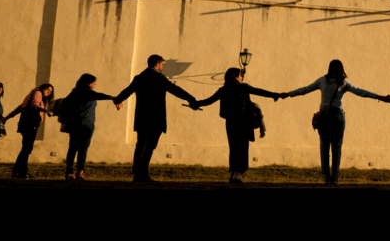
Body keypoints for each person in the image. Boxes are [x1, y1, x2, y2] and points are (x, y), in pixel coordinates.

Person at [280, 60, 386, 185]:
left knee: (324, 148)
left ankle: (326, 177)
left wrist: (288, 94)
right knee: (337, 148)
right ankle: (334, 178)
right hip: (338, 117)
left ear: (329, 68)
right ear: (341, 69)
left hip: (324, 117)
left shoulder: (322, 81)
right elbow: (360, 92)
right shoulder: (343, 83)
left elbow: (305, 90)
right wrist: (378, 96)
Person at [113, 54, 197, 182]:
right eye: (162, 64)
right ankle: (142, 174)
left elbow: (127, 91)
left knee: (140, 145)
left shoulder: (138, 78)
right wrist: (191, 99)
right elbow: (175, 89)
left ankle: (137, 174)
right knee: (149, 146)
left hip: (141, 117)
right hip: (155, 118)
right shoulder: (159, 77)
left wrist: (118, 100)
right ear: (157, 65)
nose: (162, 67)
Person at [191, 68, 279, 183]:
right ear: (236, 76)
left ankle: (233, 173)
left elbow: (209, 100)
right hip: (243, 122)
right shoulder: (243, 87)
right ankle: (237, 174)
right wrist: (274, 95)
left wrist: (196, 104)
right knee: (242, 148)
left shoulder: (224, 89)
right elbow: (259, 91)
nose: (242, 77)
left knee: (233, 148)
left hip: (230, 122)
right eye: (241, 75)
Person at [60, 74, 122, 181]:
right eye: (93, 82)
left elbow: (64, 104)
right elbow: (98, 95)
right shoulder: (87, 91)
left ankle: (70, 172)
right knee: (83, 149)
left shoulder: (74, 93)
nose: (95, 84)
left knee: (73, 148)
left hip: (74, 123)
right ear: (88, 83)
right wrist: (113, 98)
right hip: (86, 125)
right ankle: (80, 172)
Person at [4, 83, 54, 179]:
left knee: (26, 148)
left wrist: (7, 117)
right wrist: (45, 111)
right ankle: (22, 172)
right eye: (48, 89)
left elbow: (20, 107)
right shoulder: (38, 93)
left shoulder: (33, 94)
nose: (49, 92)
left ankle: (17, 172)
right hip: (30, 124)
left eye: (51, 91)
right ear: (42, 88)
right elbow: (34, 105)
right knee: (27, 149)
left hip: (26, 124)